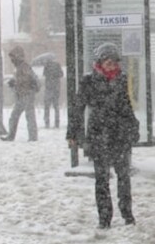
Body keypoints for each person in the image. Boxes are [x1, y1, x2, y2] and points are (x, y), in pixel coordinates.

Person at [67, 43, 140, 229]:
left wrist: (133, 127)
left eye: (114, 62)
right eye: (107, 61)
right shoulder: (88, 81)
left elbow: (126, 106)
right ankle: (104, 217)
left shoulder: (121, 80)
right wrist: (73, 132)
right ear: (99, 62)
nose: (111, 65)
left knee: (124, 176)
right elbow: (78, 108)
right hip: (99, 134)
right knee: (102, 178)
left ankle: (127, 213)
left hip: (120, 134)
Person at [2, 46, 39, 142]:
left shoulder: (24, 66)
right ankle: (11, 136)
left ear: (17, 56)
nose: (11, 60)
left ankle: (32, 137)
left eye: (13, 57)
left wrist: (16, 83)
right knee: (15, 116)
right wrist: (13, 82)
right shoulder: (18, 67)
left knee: (29, 116)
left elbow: (27, 79)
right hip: (21, 95)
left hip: (27, 95)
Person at [42, 59, 64, 129]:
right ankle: (57, 123)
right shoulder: (57, 65)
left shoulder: (47, 66)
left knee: (47, 107)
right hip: (56, 89)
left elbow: (44, 74)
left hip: (48, 88)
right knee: (56, 106)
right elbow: (61, 74)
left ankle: (47, 122)